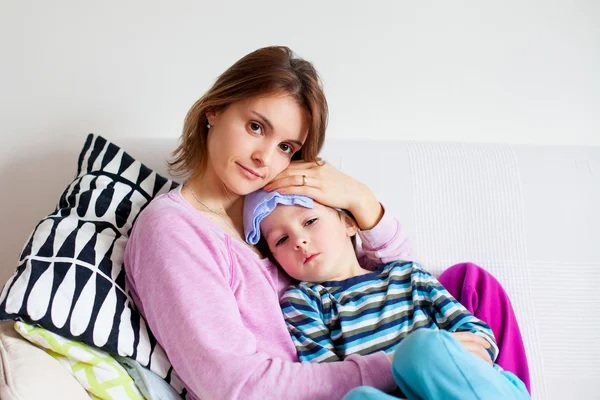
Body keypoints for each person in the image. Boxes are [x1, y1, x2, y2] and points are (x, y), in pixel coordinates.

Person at [124, 45, 529, 400]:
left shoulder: (276, 208)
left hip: (398, 366)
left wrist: (359, 199)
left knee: (468, 283)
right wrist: (400, 359)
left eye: (286, 146)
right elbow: (237, 387)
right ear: (214, 110)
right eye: (255, 127)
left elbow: (395, 282)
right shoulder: (173, 229)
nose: (265, 158)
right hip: (350, 384)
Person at [243, 190, 530, 399]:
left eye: (309, 222)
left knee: (423, 349)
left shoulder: (407, 274)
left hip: (466, 386)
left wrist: (443, 353)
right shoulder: (303, 302)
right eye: (281, 239)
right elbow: (328, 378)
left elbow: (476, 333)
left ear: (349, 223)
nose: (299, 240)